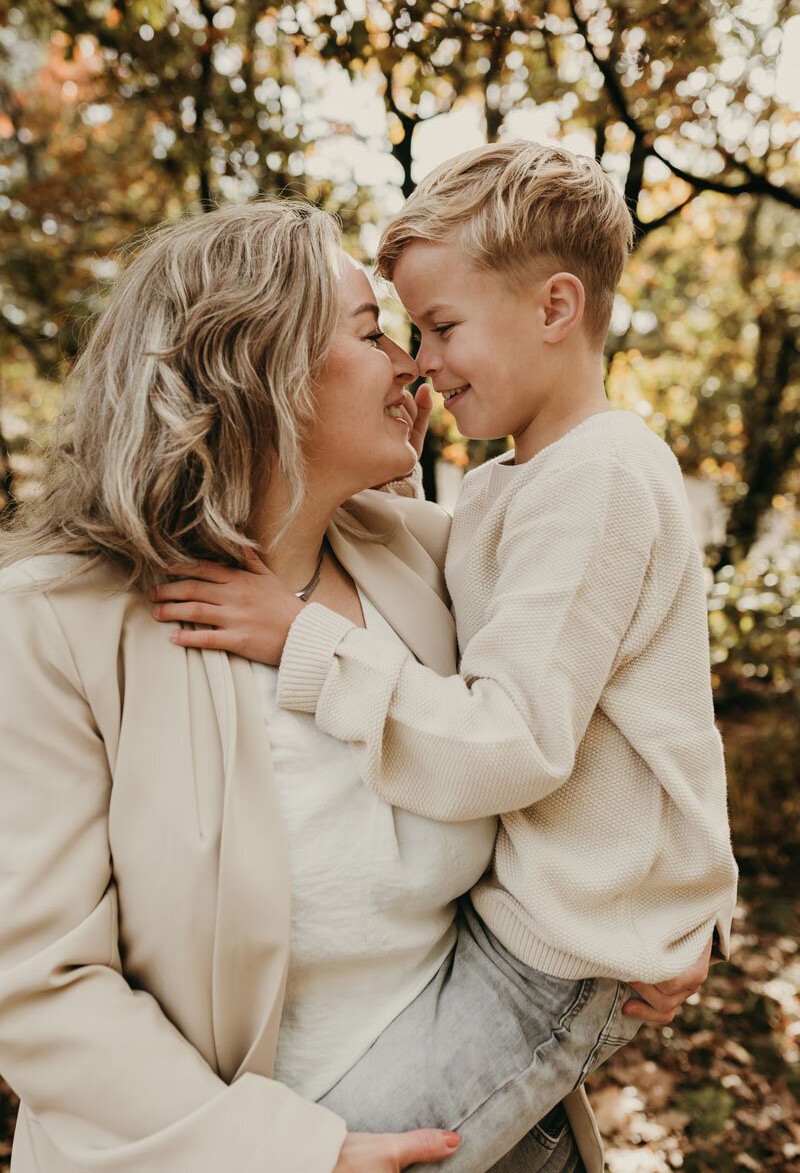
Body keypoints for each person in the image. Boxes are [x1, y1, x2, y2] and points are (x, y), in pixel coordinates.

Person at [153, 144, 739, 1172]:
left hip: (557, 954)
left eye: (438, 328)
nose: (420, 361)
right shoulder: (519, 482)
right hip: (530, 926)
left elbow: (512, 739)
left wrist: (304, 644)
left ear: (556, 308)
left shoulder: (595, 477)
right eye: (402, 334)